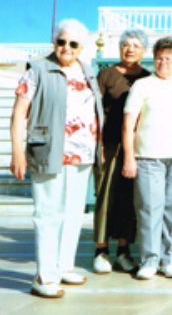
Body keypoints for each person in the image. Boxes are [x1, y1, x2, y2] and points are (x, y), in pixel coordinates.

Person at [10, 19, 103, 298]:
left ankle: (63, 267)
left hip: (83, 152)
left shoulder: (89, 71)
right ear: (54, 42)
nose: (66, 47)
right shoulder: (37, 70)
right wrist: (17, 150)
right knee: (48, 213)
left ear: (81, 47)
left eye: (73, 44)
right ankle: (44, 276)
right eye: (61, 41)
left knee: (73, 214)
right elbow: (18, 115)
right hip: (49, 150)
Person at [122, 37, 172, 280]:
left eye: (169, 59)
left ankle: (170, 259)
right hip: (148, 156)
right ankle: (149, 260)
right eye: (159, 58)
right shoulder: (142, 85)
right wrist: (129, 157)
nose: (163, 62)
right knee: (148, 208)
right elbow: (128, 125)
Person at [93, 29, 151, 275]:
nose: (130, 49)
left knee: (129, 199)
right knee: (106, 196)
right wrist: (98, 146)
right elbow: (94, 112)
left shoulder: (148, 78)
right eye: (126, 44)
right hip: (110, 144)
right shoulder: (106, 75)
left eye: (136, 45)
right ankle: (101, 250)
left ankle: (123, 251)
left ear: (143, 51)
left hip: (139, 148)